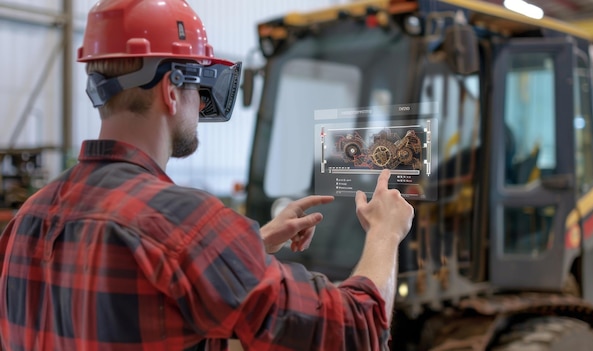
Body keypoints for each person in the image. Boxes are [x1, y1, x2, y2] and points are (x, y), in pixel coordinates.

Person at [0, 0, 414, 350]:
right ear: (170, 90)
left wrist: (251, 245)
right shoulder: (184, 221)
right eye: (200, 89)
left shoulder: (27, 219)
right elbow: (357, 330)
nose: (200, 108)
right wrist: (385, 232)